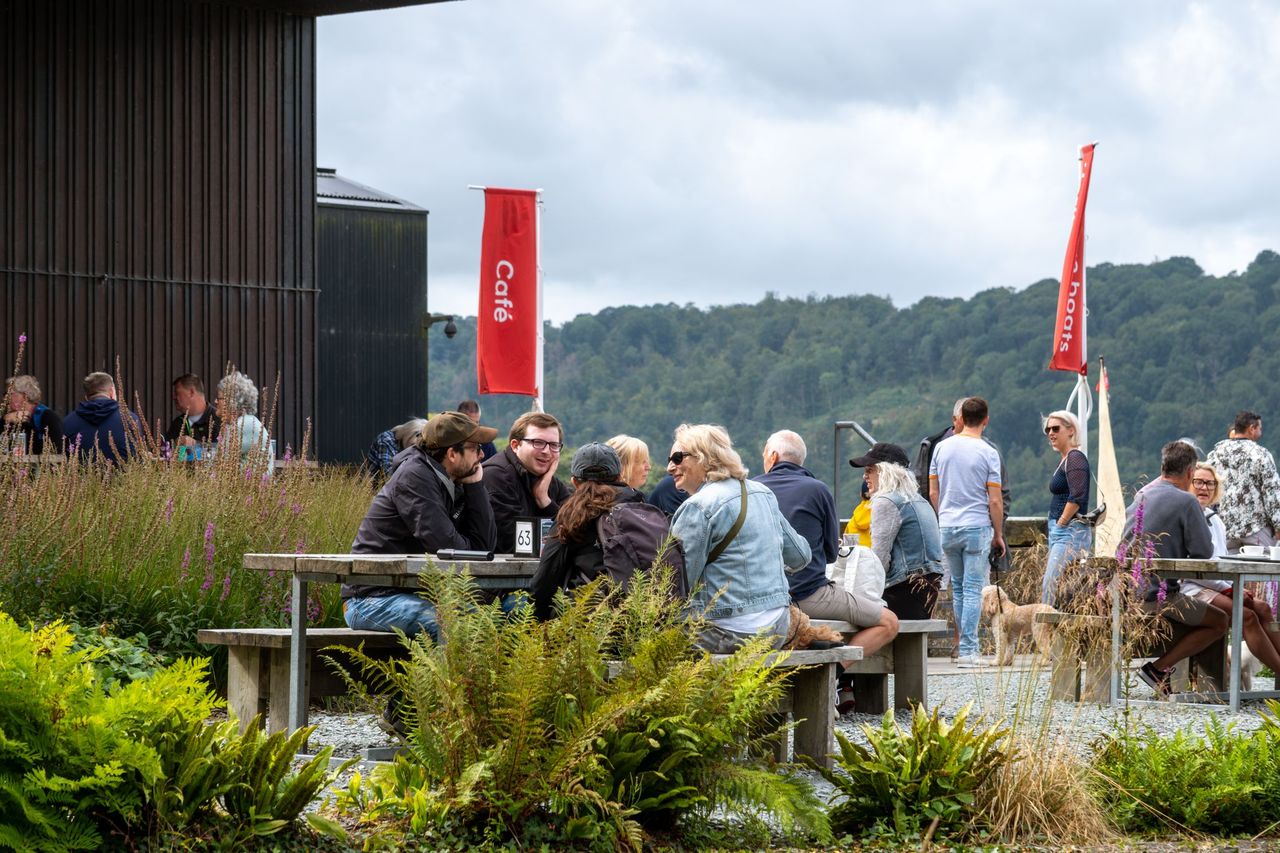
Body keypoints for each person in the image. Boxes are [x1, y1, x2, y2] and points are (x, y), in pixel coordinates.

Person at [759, 430, 899, 711]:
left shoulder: (753, 489)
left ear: (772, 457)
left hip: (764, 598)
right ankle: (834, 675)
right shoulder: (818, 490)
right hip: (809, 595)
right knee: (889, 622)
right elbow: (831, 553)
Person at [342, 411, 499, 639]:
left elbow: (484, 548)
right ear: (452, 454)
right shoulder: (414, 477)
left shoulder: (454, 480)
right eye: (476, 448)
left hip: (412, 594)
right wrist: (471, 547)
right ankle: (444, 666)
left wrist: (475, 487)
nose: (482, 455)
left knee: (492, 619)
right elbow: (447, 547)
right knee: (457, 623)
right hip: (370, 599)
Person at [668, 423, 806, 653]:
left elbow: (677, 584)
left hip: (726, 632)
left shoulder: (698, 506)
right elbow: (801, 556)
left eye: (677, 458)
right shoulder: (763, 493)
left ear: (704, 457)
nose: (669, 467)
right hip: (776, 628)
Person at [1121, 440, 1229, 696]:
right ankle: (1159, 669)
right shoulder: (1187, 501)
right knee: (1220, 620)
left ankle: (1169, 673)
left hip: (1124, 594)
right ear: (1190, 472)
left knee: (1206, 613)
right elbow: (1204, 552)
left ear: (1164, 466)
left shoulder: (1142, 495)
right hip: (1158, 598)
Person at [529, 443, 655, 619]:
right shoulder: (641, 509)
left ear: (575, 482)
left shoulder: (572, 517)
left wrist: (532, 624)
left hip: (588, 620)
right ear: (620, 476)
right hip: (645, 618)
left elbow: (545, 581)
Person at [929, 396, 1005, 668]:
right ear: (986, 420)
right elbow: (995, 500)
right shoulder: (988, 452)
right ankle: (969, 651)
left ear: (960, 417)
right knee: (973, 589)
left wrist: (944, 516)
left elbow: (933, 492)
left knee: (959, 589)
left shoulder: (941, 448)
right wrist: (998, 533)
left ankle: (964, 647)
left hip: (947, 525)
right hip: (976, 525)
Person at [1181, 462, 1280, 672]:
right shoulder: (1185, 514)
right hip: (1193, 586)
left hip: (1215, 584)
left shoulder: (1216, 520)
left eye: (1210, 483)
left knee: (1263, 608)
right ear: (1188, 483)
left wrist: (1232, 587)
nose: (1204, 488)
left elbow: (1221, 561)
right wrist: (1229, 589)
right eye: (1198, 482)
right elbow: (1194, 568)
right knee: (1247, 616)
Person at [854, 442, 944, 620]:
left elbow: (879, 560)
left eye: (870, 470)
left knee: (850, 613)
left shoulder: (886, 501)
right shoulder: (919, 500)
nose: (864, 476)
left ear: (886, 471)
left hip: (903, 591)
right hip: (925, 590)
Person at [483, 411, 574, 553]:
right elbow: (513, 543)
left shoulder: (549, 481)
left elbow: (578, 530)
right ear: (515, 445)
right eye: (538, 443)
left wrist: (545, 502)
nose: (546, 451)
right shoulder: (496, 476)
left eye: (553, 445)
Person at [1207, 410, 1280, 552]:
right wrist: (1278, 525)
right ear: (1251, 428)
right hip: (1256, 527)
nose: (1260, 432)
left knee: (1227, 565)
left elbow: (1209, 487)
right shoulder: (1260, 454)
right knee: (1262, 565)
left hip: (1225, 527)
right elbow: (1272, 492)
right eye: (1259, 428)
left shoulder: (1215, 454)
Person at [1041, 410, 1093, 606]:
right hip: (1061, 530)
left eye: (1056, 428)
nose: (1051, 433)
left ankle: (1045, 622)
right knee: (1061, 586)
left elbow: (1077, 496)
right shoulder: (1065, 459)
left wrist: (1061, 523)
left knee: (1051, 584)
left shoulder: (1075, 457)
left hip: (1070, 531)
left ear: (1071, 430)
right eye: (1048, 430)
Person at [63, 372, 140, 465]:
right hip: (124, 473)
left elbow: (66, 454)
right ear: (112, 391)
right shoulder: (130, 418)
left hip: (82, 474)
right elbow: (137, 453)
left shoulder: (69, 421)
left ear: (86, 397)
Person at [217, 371, 272, 473]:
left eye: (219, 398)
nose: (216, 401)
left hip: (251, 482)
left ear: (231, 401)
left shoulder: (243, 425)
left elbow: (220, 463)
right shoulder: (247, 421)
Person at [4, 375, 63, 455]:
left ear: (25, 397)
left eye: (10, 394)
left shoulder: (47, 417)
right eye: (5, 394)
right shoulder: (9, 417)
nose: (5, 398)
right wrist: (5, 420)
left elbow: (57, 451)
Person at [163, 373, 222, 453]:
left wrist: (196, 445)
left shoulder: (219, 419)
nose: (174, 398)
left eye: (177, 393)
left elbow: (227, 450)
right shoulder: (178, 423)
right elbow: (165, 451)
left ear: (191, 392)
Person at [843, 479, 872, 546]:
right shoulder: (881, 513)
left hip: (856, 552)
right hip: (874, 552)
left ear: (861, 494)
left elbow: (847, 545)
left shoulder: (854, 519)